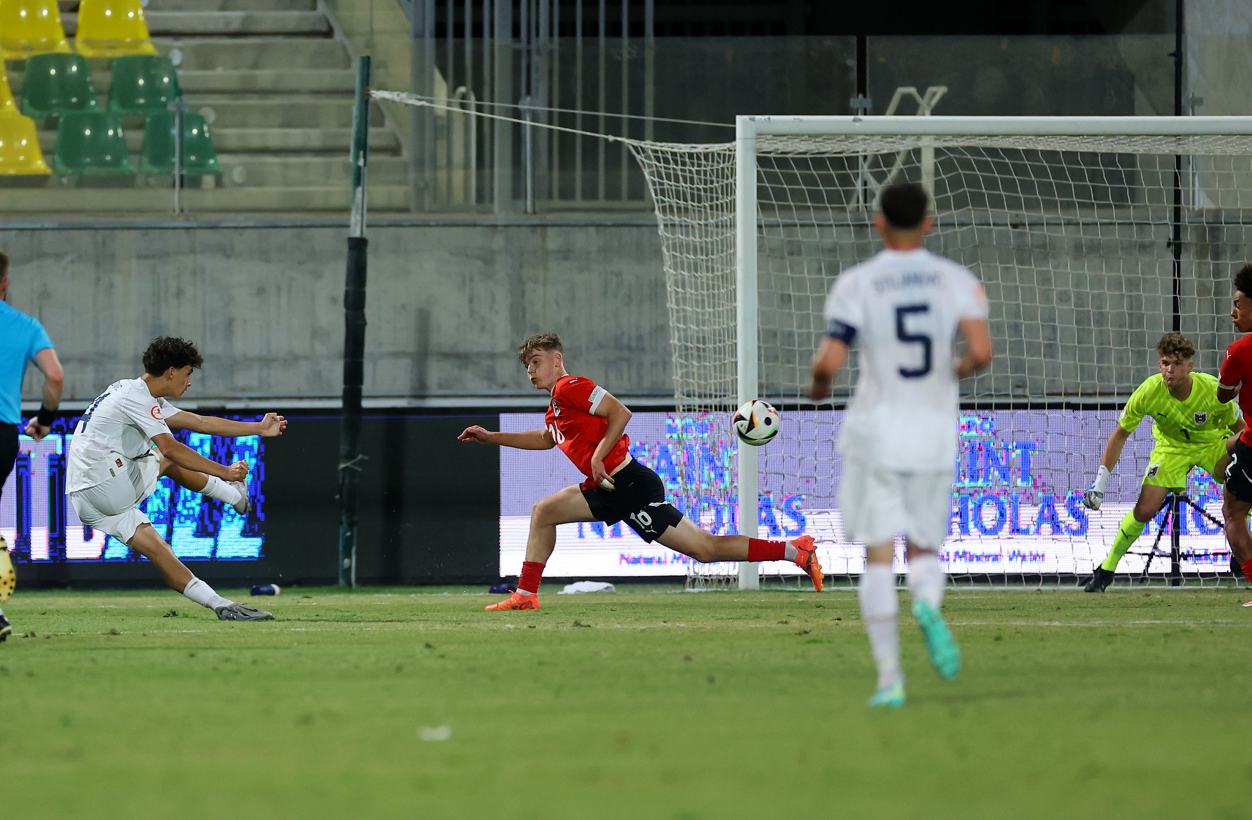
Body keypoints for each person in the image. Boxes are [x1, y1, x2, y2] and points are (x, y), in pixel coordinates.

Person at [458, 332, 823, 611]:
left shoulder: (571, 386)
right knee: (543, 512)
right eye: (527, 366)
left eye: (536, 361)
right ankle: (525, 594)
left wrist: (600, 456)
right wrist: (491, 437)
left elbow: (620, 412)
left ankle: (794, 550)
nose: (531, 370)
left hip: (627, 483)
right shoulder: (555, 407)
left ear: (557, 360)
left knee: (705, 549)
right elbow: (545, 439)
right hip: (608, 485)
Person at [808, 181, 993, 708]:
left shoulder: (858, 283)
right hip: (933, 431)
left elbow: (828, 362)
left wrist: (819, 387)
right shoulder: (957, 280)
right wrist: (948, 373)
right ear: (929, 222)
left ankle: (890, 678)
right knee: (926, 547)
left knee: (878, 555)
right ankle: (928, 604)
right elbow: (981, 351)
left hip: (876, 431)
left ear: (878, 222)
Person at [67, 336, 287, 621]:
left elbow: (200, 422)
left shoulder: (132, 391)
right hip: (107, 485)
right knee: (166, 456)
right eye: (188, 373)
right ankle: (233, 493)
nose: (189, 381)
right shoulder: (138, 398)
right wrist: (225, 471)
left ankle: (221, 606)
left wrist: (258, 427)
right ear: (171, 372)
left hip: (84, 499)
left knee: (160, 551)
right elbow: (171, 449)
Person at [1081, 332, 1241, 592]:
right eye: (1166, 363)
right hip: (1171, 449)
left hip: (1213, 444)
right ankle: (1107, 570)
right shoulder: (1149, 391)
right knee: (1144, 511)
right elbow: (1120, 433)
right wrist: (1099, 484)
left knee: (1241, 491)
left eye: (1177, 363)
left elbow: (1242, 428)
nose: (1170, 369)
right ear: (1159, 365)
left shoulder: (1211, 389)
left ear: (1190, 366)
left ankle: (1243, 547)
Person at [0, 250, 65, 643]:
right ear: (5, 282)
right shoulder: (24, 325)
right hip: (3, 433)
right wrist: (43, 419)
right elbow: (55, 376)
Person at [1215, 264, 1252, 603]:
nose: (1233, 311)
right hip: (1246, 439)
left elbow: (1223, 394)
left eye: (1238, 302)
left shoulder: (1239, 351)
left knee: (1234, 512)